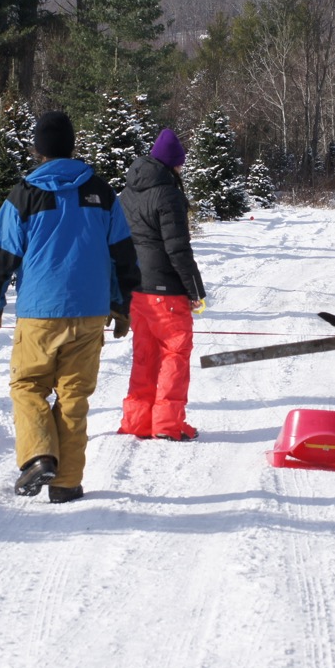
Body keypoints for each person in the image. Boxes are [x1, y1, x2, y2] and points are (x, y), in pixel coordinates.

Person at [0, 111, 140, 502]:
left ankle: (38, 456)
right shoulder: (101, 192)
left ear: (38, 149)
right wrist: (122, 306)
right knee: (73, 397)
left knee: (28, 385)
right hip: (90, 313)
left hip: (40, 312)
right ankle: (66, 483)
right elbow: (122, 254)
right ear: (72, 145)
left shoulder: (24, 195)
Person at [115, 128, 207, 442]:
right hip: (167, 291)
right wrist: (194, 290)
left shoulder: (128, 192)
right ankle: (168, 424)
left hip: (138, 290)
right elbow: (177, 248)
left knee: (144, 356)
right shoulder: (168, 194)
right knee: (174, 355)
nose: (181, 168)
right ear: (171, 163)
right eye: (180, 163)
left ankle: (137, 421)